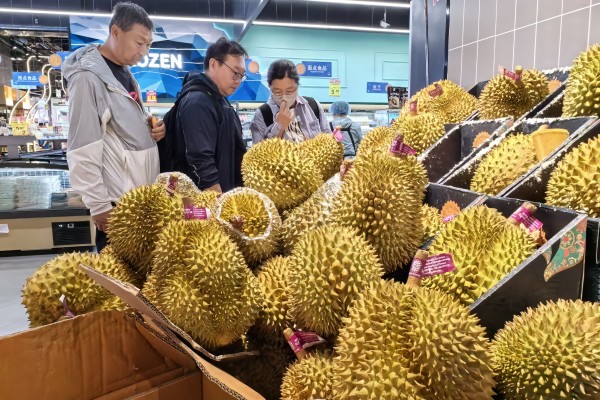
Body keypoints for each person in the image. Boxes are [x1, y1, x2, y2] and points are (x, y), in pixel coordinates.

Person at [64, 2, 165, 252]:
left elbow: (119, 127)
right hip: (116, 205)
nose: (144, 51)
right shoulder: (88, 77)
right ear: (116, 32)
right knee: (118, 283)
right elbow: (82, 146)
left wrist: (152, 128)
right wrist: (99, 206)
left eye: (149, 45)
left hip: (137, 200)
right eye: (139, 43)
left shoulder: (124, 73)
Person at [173, 37, 248, 193]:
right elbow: (200, 158)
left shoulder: (220, 101)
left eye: (241, 75)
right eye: (235, 72)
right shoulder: (198, 101)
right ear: (213, 64)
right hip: (204, 203)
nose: (238, 80)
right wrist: (216, 199)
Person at [251, 59, 331, 144]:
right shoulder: (262, 115)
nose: (284, 97)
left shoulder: (313, 106)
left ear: (297, 86)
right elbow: (259, 154)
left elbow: (328, 140)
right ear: (270, 88)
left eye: (290, 91)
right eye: (277, 92)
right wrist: (279, 126)